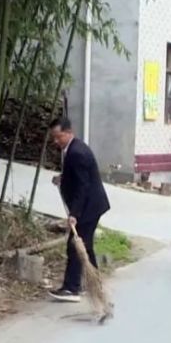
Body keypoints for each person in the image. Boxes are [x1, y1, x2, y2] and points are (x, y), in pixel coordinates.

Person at [49, 117, 111, 302]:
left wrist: (74, 214)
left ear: (69, 133)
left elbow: (83, 186)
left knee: (75, 246)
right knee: (85, 245)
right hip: (91, 204)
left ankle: (72, 288)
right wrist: (63, 178)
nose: (55, 141)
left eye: (58, 136)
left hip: (88, 207)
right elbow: (78, 177)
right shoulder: (74, 148)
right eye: (53, 137)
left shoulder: (77, 152)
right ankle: (94, 283)